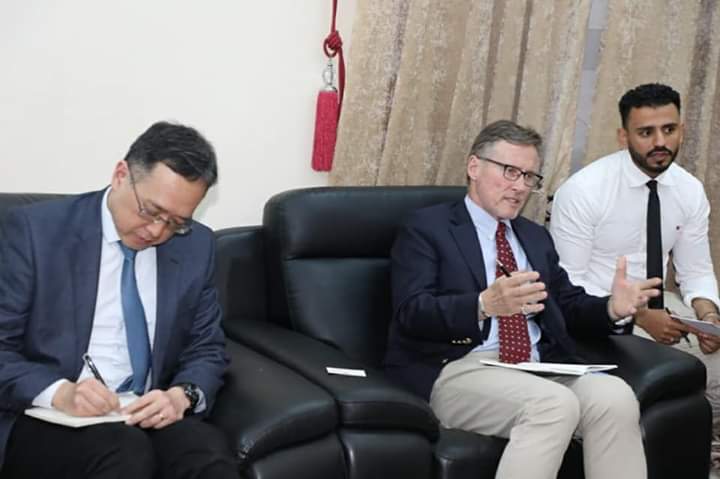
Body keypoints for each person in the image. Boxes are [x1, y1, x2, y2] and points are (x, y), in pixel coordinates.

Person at [384, 120, 661, 479]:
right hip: (458, 367)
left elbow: (567, 305)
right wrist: (483, 305)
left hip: (535, 366)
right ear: (474, 167)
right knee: (553, 405)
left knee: (615, 397)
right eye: (510, 171)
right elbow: (411, 311)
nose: (520, 187)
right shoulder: (427, 228)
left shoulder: (534, 237)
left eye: (529, 177)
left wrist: (612, 308)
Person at [0, 122, 239, 478]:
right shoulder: (35, 232)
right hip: (49, 413)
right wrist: (61, 393)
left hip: (143, 409)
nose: (157, 231)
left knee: (208, 457)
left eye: (176, 222)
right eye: (150, 211)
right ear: (120, 175)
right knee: (124, 454)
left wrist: (182, 395)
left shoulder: (196, 246)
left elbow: (206, 347)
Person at [549, 84, 720, 439]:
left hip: (663, 307)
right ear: (623, 136)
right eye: (646, 133)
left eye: (669, 130)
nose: (660, 142)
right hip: (600, 313)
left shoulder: (689, 190)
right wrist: (639, 316)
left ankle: (702, 451)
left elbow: (696, 271)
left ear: (682, 130)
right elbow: (567, 286)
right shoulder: (584, 191)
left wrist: (707, 318)